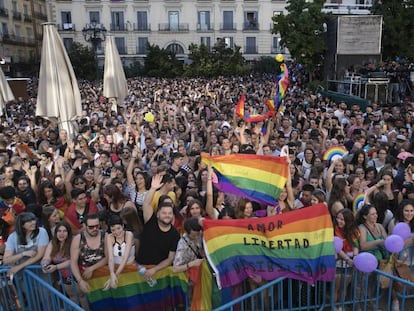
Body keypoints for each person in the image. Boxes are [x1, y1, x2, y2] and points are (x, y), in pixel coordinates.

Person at [137, 174, 180, 284]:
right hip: (140, 269)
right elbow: (146, 203)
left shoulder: (175, 234)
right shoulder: (150, 221)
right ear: (158, 214)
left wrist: (154, 270)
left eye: (169, 213)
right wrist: (153, 188)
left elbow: (170, 258)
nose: (167, 215)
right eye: (164, 213)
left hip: (160, 272)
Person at [41, 221, 88, 309]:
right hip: (65, 276)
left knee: (82, 296)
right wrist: (44, 265)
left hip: (78, 274)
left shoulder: (74, 240)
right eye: (59, 231)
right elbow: (47, 257)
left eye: (64, 231)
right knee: (72, 297)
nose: (61, 234)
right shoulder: (52, 243)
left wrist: (56, 267)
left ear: (68, 232)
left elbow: (73, 260)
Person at [70, 213, 107, 293]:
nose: (95, 229)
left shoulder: (105, 236)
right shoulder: (78, 239)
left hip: (104, 276)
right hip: (86, 278)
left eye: (97, 226)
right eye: (91, 227)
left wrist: (92, 268)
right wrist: (80, 280)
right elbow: (73, 262)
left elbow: (108, 257)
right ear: (84, 226)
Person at [334, 209, 359, 310]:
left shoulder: (354, 231)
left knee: (344, 288)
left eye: (342, 219)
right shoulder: (334, 229)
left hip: (350, 262)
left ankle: (340, 306)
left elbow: (355, 245)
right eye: (338, 218)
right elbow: (337, 247)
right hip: (338, 262)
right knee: (335, 288)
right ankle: (333, 307)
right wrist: (347, 259)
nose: (339, 221)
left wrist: (355, 257)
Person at [103, 215, 135, 290]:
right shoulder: (109, 237)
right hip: (116, 267)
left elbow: (125, 258)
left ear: (123, 226)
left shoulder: (129, 235)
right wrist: (112, 274)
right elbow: (110, 258)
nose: (116, 232)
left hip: (130, 268)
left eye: (118, 228)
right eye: (113, 230)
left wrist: (114, 276)